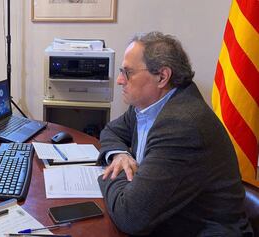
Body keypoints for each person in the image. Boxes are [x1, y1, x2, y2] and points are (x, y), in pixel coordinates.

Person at [97, 31, 252, 236]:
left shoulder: (182, 126)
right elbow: (111, 131)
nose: (119, 80)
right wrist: (120, 155)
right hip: (162, 220)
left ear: (162, 77)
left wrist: (109, 172)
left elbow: (130, 216)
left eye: (128, 72)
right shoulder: (146, 105)